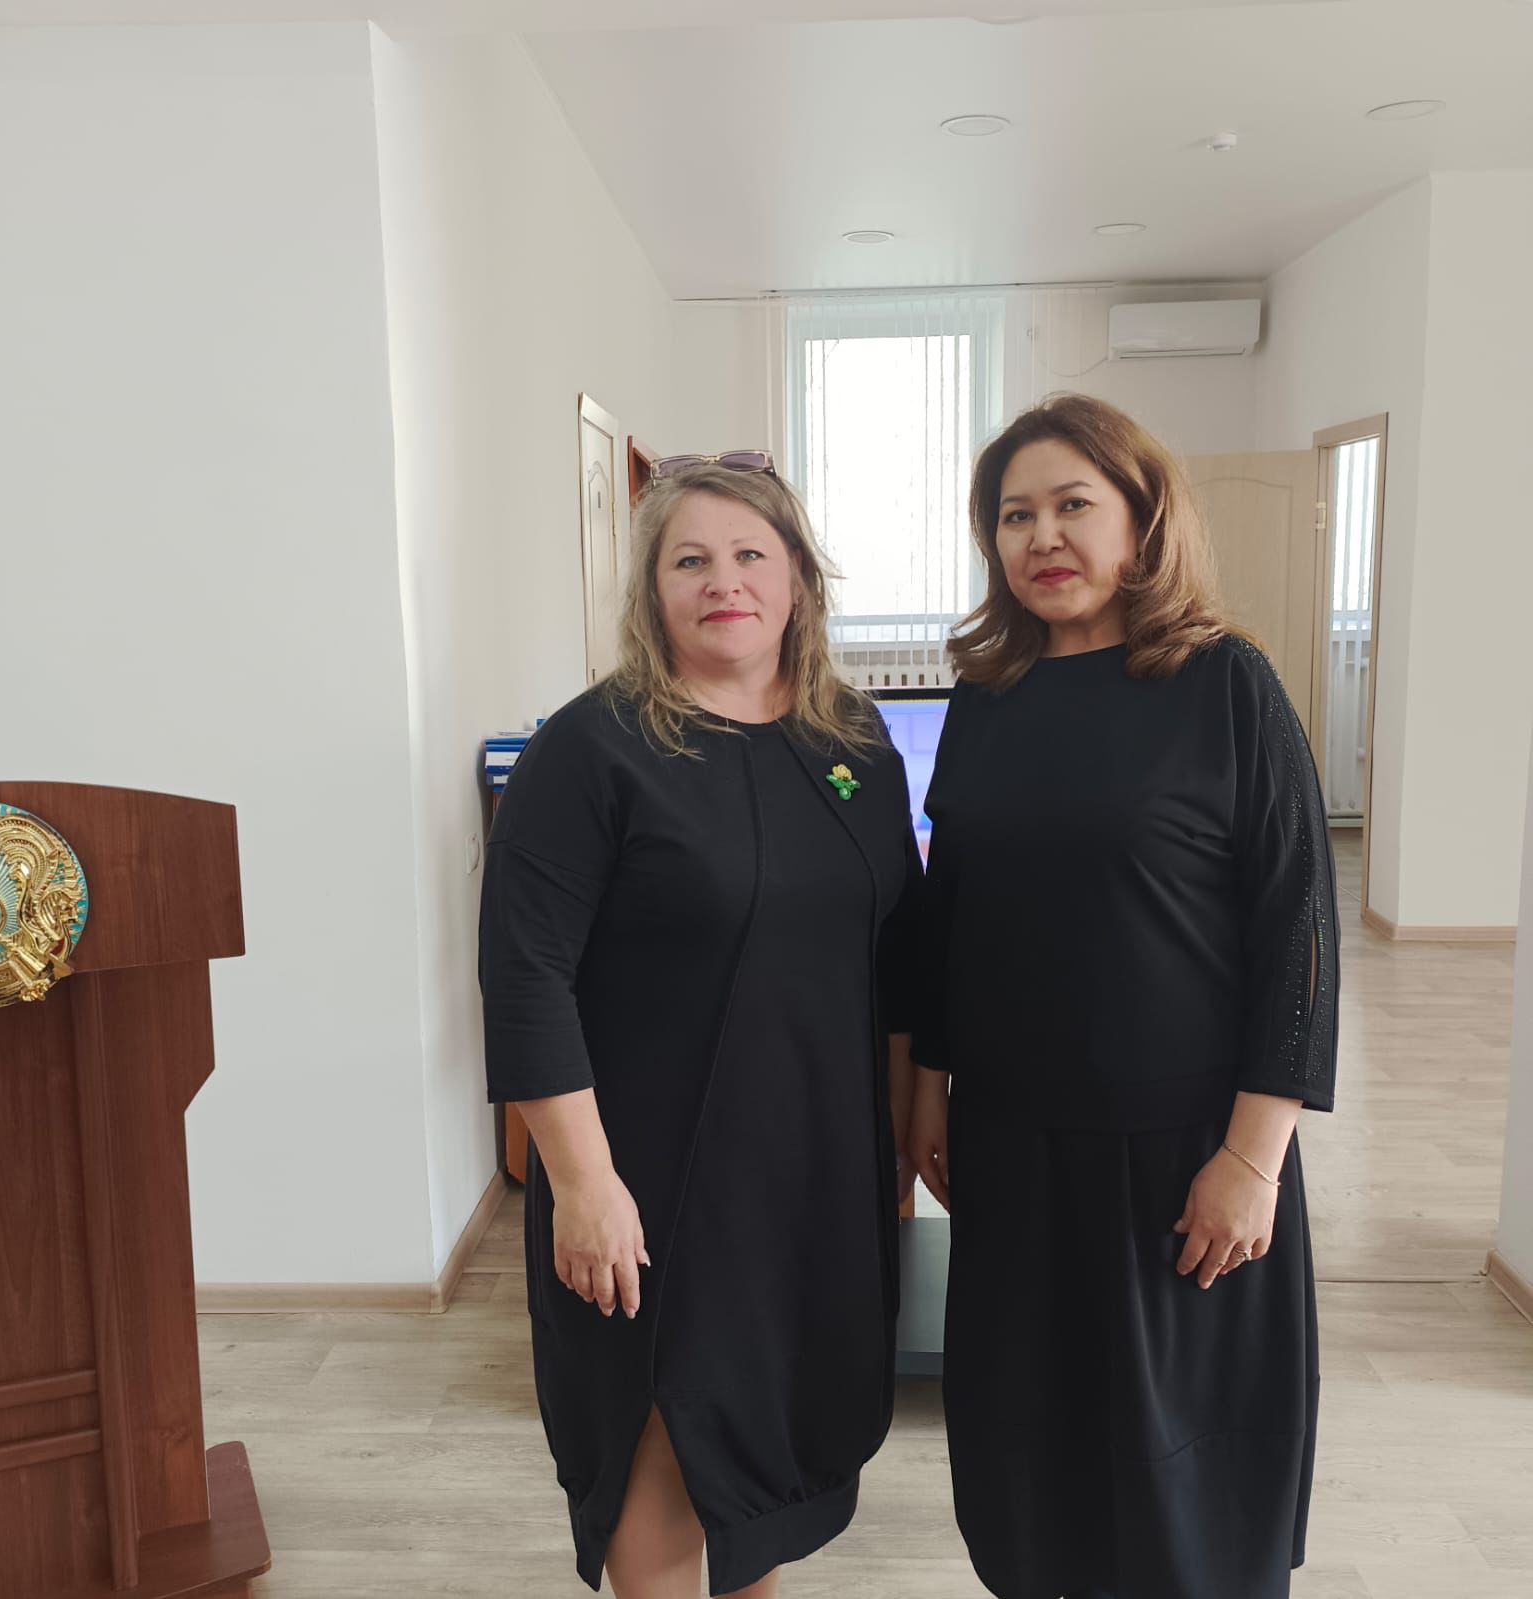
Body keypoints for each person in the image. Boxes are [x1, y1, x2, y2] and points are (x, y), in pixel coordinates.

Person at [908, 394, 1338, 1599]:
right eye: (1014, 516)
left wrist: (1253, 1159)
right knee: (1029, 1453)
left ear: (1144, 520)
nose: (1042, 536)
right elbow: (951, 912)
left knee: (1181, 1485)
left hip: (1182, 1153)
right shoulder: (985, 696)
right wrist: (929, 1085)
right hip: (1013, 1144)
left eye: (1073, 505)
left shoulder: (1227, 684)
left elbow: (1298, 930)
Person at [479, 452, 922, 1599]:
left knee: (762, 1443)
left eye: (749, 554)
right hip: (652, 1174)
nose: (723, 581)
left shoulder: (852, 744)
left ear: (799, 580)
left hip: (810, 1170)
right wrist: (582, 1183)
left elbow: (897, 953)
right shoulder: (593, 749)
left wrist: (903, 1128)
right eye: (690, 560)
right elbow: (525, 976)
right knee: (664, 1433)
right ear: (652, 591)